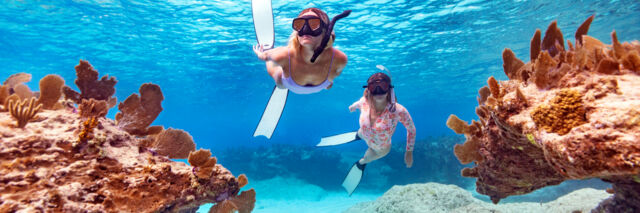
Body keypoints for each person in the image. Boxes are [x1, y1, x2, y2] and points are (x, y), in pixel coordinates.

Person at [342, 72, 416, 195]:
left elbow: (411, 130)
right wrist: (352, 107)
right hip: (364, 134)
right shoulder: (364, 101)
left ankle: (361, 163)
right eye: (374, 87)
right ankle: (357, 135)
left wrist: (409, 152)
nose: (379, 91)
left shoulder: (398, 111)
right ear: (368, 90)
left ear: (389, 89)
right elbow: (358, 103)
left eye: (383, 86)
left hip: (379, 149)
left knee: (366, 158)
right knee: (362, 132)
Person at [253, 8, 348, 94]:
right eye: (300, 24)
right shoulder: (283, 55)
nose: (305, 29)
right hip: (289, 83)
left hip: (321, 85)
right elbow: (265, 57)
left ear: (326, 32)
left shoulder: (339, 58)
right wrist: (261, 52)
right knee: (279, 80)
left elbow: (337, 72)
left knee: (329, 83)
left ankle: (326, 82)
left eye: (314, 24)